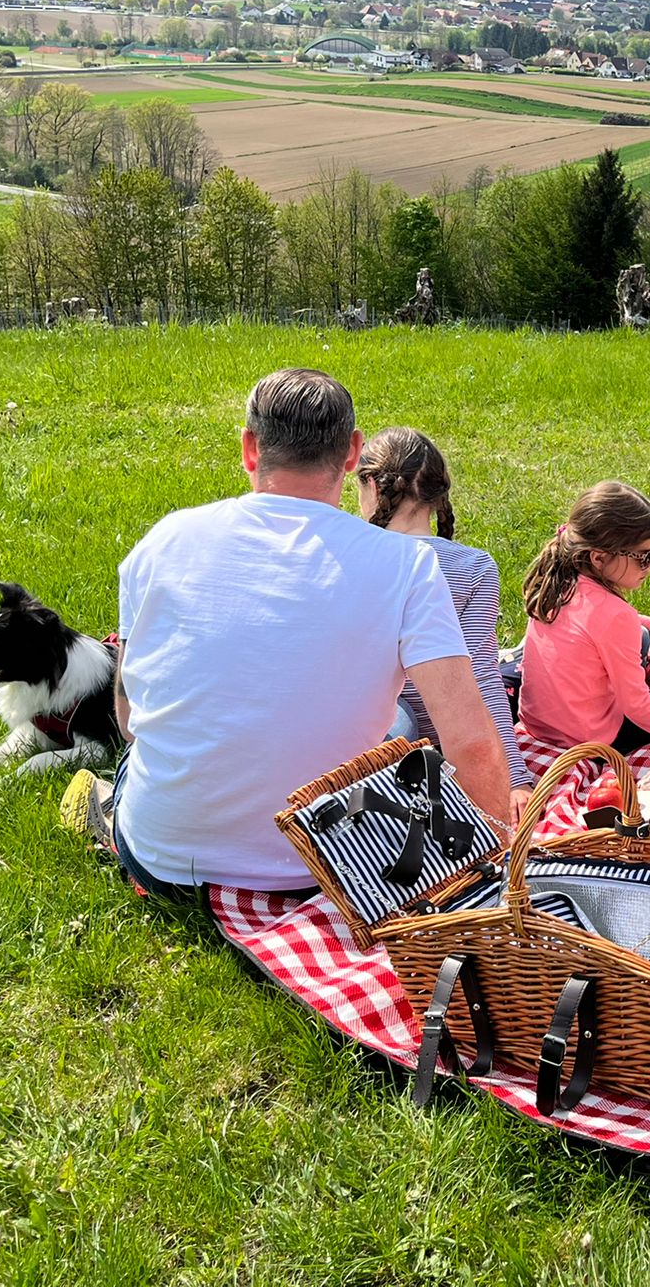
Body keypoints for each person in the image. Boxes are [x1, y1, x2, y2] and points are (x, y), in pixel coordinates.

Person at [98, 369, 511, 902]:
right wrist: (498, 876)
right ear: (351, 453)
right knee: (396, 731)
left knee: (139, 759)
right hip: (338, 873)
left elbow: (130, 722)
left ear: (250, 449)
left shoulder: (163, 541)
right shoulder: (406, 566)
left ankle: (108, 814)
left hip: (168, 865)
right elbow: (473, 746)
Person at [354, 427, 531, 796]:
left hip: (370, 748)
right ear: (438, 495)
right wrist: (513, 778)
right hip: (454, 743)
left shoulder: (350, 556)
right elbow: (481, 676)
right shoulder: (473, 566)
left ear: (371, 484)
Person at [516, 481, 650, 757]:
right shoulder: (615, 615)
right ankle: (644, 674)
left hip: (540, 723)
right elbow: (637, 708)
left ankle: (639, 670)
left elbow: (586, 626)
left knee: (640, 635)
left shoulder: (557, 578)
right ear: (598, 558)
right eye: (644, 557)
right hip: (597, 741)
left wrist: (647, 623)